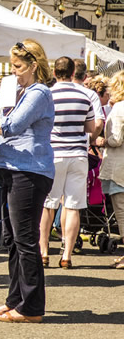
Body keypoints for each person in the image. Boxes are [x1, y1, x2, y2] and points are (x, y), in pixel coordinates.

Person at [0, 39, 54, 324]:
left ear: (33, 65)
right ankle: (15, 300)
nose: (13, 71)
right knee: (14, 241)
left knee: (25, 240)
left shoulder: (38, 92)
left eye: (18, 66)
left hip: (30, 170)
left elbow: (12, 126)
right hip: (14, 167)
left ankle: (31, 308)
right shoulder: (24, 91)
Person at [39, 57, 95, 269]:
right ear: (73, 73)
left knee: (47, 204)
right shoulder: (85, 96)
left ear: (54, 72)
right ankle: (67, 255)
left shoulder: (48, 95)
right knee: (72, 206)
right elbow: (90, 128)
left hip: (53, 154)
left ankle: (43, 252)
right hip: (78, 156)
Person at [99, 71, 124, 269]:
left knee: (122, 212)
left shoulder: (118, 109)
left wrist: (102, 140)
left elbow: (116, 139)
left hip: (119, 167)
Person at [73, 59, 104, 137]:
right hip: (80, 144)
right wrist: (91, 139)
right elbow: (98, 124)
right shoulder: (91, 95)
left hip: (56, 145)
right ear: (85, 77)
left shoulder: (54, 92)